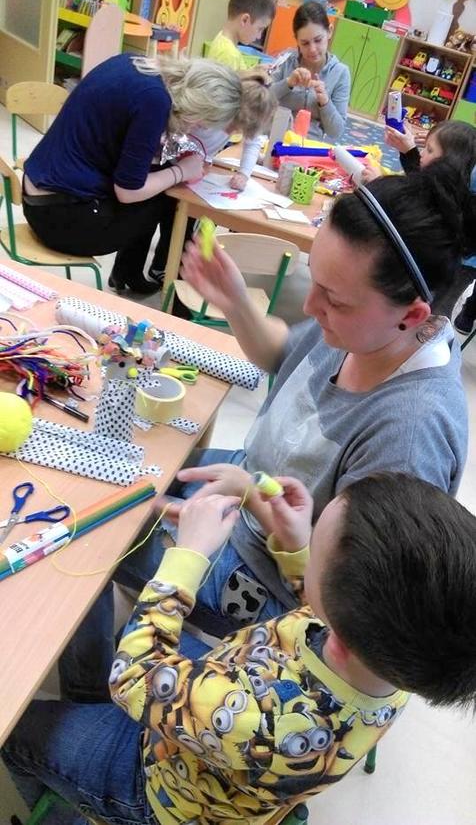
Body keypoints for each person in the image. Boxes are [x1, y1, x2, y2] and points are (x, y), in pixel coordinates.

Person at [57, 160, 475, 699]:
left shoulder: (411, 435)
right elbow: (282, 353)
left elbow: (351, 613)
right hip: (247, 483)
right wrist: (233, 300)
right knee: (101, 471)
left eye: (333, 299)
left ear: (413, 315)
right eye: (314, 278)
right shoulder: (363, 328)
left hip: (270, 575)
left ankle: (89, 697)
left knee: (84, 533)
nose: (311, 306)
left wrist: (244, 506)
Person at [4, 473, 476, 825]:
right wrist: (297, 545)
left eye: (319, 542)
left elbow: (131, 679)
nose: (310, 533)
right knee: (125, 633)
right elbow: (324, 611)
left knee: (14, 729)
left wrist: (188, 555)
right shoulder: (399, 656)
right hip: (226, 701)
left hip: (160, 791)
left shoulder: (265, 721)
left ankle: (62, 813)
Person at [22, 53, 274, 294]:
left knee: (158, 180)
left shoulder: (139, 65)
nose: (197, 127)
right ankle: (168, 280)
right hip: (61, 218)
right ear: (198, 104)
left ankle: (131, 272)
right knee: (171, 199)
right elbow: (128, 191)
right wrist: (181, 171)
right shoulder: (155, 101)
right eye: (202, 122)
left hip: (38, 194)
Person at [147, 0, 276, 286]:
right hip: (171, 155)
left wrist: (240, 171)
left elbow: (251, 139)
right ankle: (163, 271)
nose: (234, 132)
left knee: (182, 218)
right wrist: (187, 163)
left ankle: (170, 270)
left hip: (190, 161)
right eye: (260, 29)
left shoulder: (237, 95)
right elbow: (183, 128)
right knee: (163, 214)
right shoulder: (213, 104)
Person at [366, 120, 476, 323]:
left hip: (454, 265)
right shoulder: (449, 183)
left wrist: (379, 185)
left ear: (450, 162)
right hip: (441, 262)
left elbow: (418, 204)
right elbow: (426, 185)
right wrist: (409, 151)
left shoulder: (455, 199)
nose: (423, 154)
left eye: (430, 150)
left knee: (431, 313)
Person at [269, 1, 351, 142]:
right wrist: (288, 83)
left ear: (329, 31)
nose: (312, 49)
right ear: (297, 40)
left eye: (318, 40)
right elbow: (261, 100)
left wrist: (325, 102)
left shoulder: (340, 73)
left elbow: (336, 132)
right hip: (273, 139)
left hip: (309, 147)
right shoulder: (286, 60)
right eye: (305, 43)